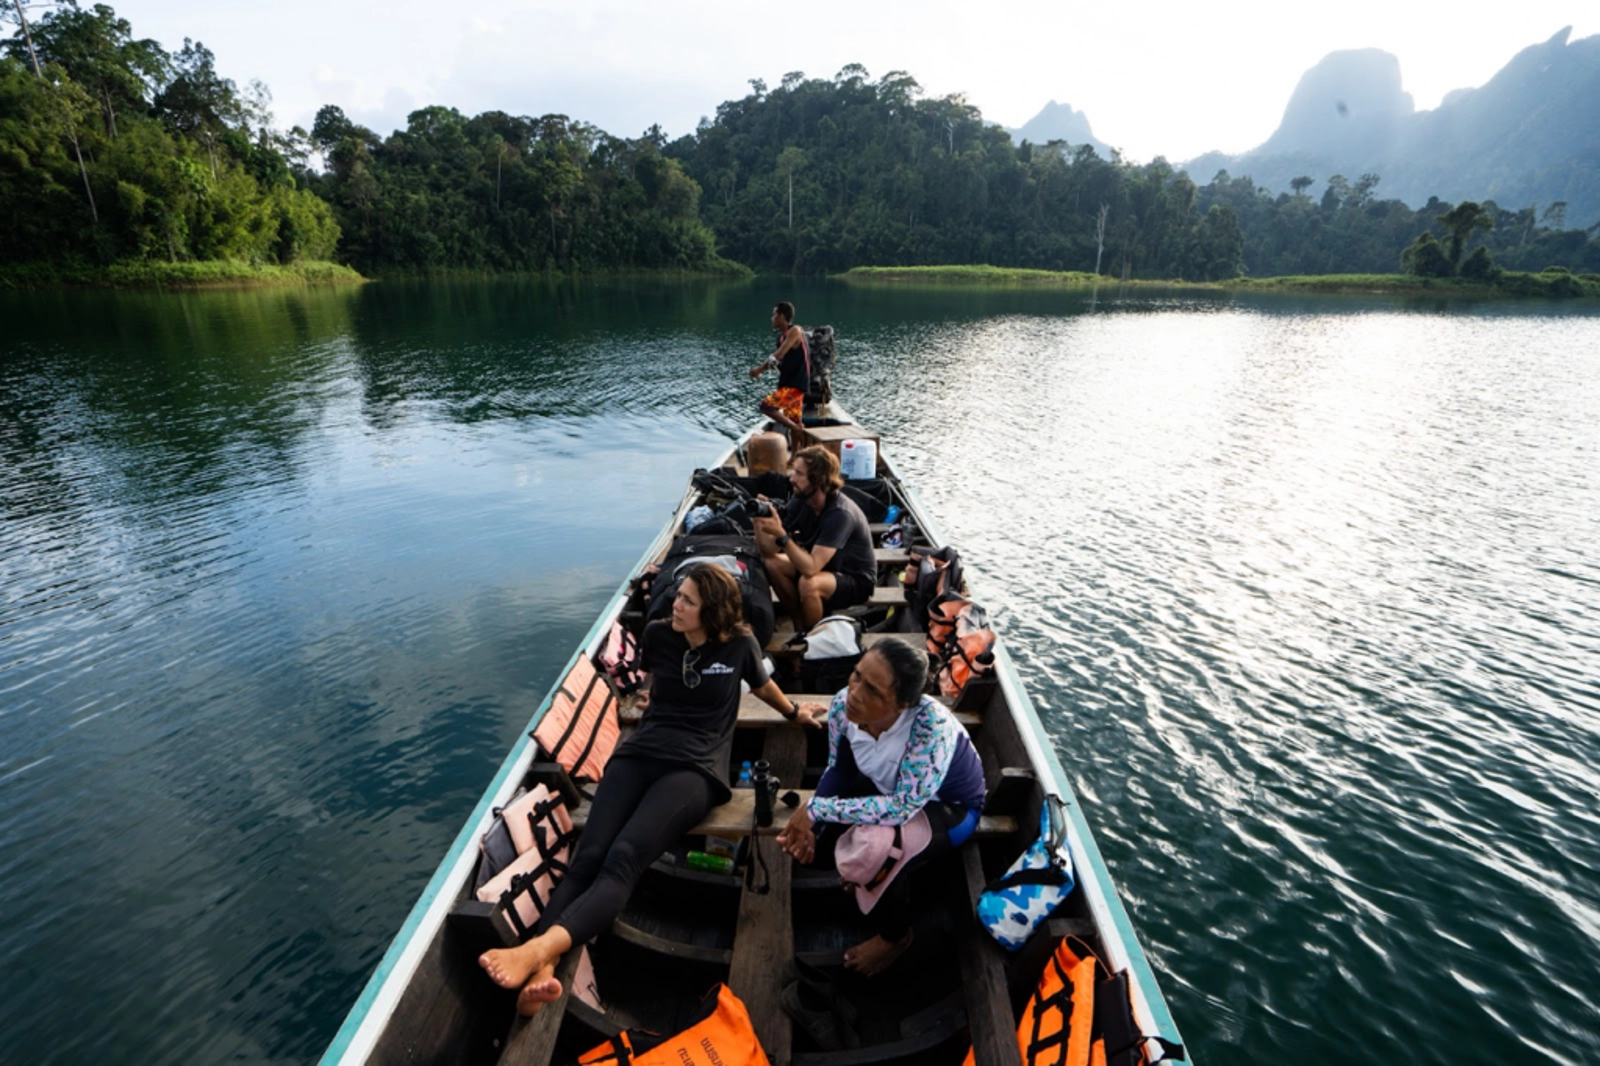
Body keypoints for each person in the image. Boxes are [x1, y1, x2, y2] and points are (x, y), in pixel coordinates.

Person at [480, 565, 823, 1014]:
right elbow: (652, 682)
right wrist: (648, 695)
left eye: (687, 601)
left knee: (624, 858)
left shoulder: (740, 644)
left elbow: (763, 686)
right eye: (677, 596)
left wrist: (795, 712)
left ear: (712, 611)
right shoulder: (660, 635)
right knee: (589, 855)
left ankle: (537, 950)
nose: (674, 605)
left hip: (695, 768)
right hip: (640, 753)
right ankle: (543, 966)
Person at [777, 638, 986, 975]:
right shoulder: (843, 705)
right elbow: (840, 769)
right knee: (820, 851)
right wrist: (815, 824)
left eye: (872, 691)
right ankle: (866, 876)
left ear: (902, 704)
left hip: (951, 809)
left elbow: (901, 809)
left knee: (879, 848)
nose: (856, 693)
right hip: (890, 791)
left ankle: (895, 938)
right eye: (856, 675)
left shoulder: (928, 728)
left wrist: (815, 809)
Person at [753, 445, 877, 630]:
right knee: (772, 563)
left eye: (799, 474)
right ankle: (799, 624)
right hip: (823, 566)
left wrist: (782, 535)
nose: (792, 479)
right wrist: (758, 521)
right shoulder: (801, 499)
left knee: (809, 583)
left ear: (819, 479)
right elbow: (768, 550)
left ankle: (812, 640)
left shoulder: (840, 514)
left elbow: (810, 568)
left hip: (855, 579)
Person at [748, 301, 810, 441]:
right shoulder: (781, 337)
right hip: (787, 382)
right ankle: (794, 458)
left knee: (766, 406)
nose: (772, 319)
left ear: (782, 316)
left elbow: (779, 355)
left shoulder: (795, 331)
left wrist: (759, 369)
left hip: (796, 384)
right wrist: (767, 366)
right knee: (795, 420)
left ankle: (794, 430)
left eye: (774, 315)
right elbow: (777, 360)